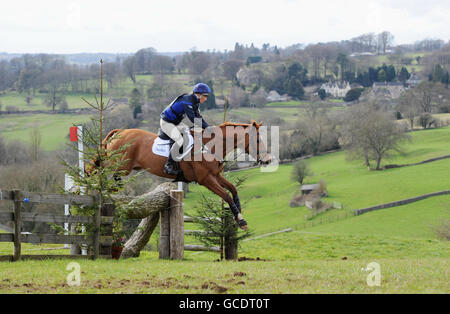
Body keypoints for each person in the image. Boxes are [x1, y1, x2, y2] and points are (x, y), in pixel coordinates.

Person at [160, 83, 211, 175]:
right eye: (205, 96)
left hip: (176, 123)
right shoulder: (187, 100)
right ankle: (168, 165)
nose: (206, 99)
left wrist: (209, 127)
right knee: (180, 140)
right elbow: (193, 118)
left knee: (190, 133)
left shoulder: (195, 102)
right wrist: (207, 127)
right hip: (166, 122)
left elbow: (199, 118)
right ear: (198, 94)